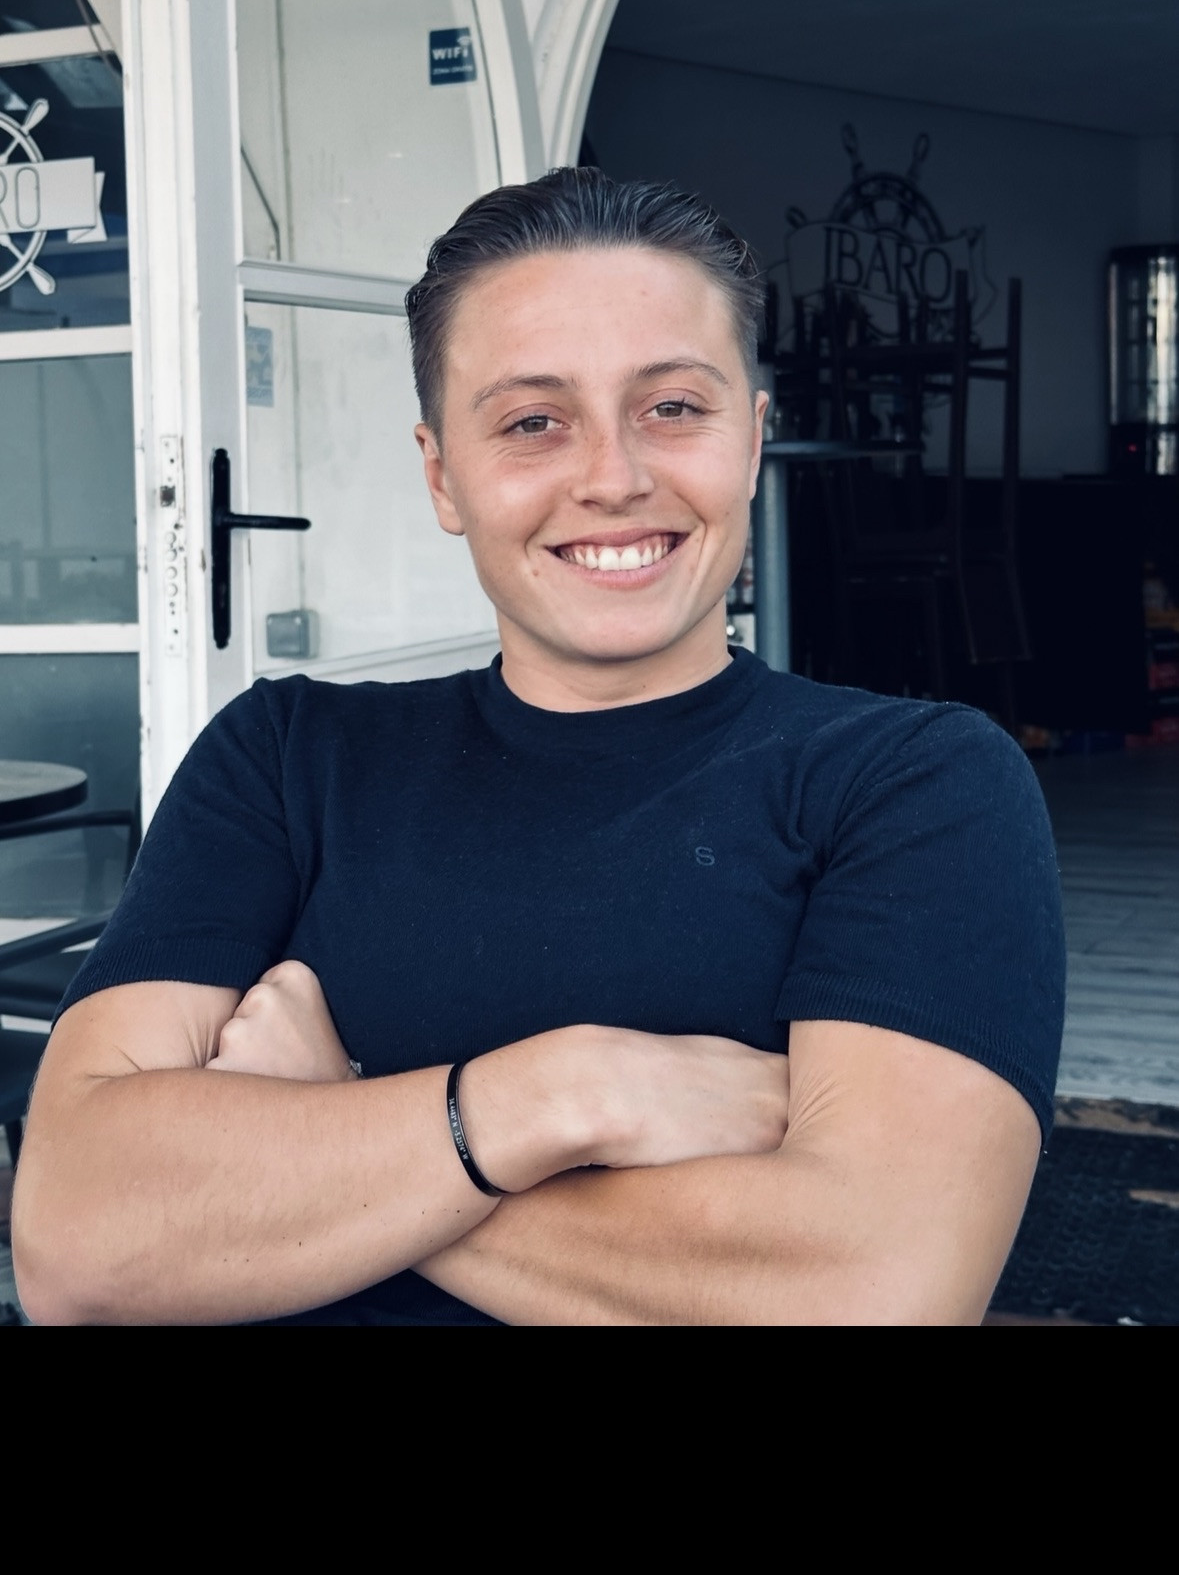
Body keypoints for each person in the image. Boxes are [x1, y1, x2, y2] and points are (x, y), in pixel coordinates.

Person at [12, 168, 1064, 1327]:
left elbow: (869, 1297)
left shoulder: (914, 782)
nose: (615, 477)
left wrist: (335, 1116)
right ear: (442, 475)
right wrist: (565, 1094)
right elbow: (77, 1239)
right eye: (532, 423)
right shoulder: (286, 757)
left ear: (753, 438)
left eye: (674, 407)